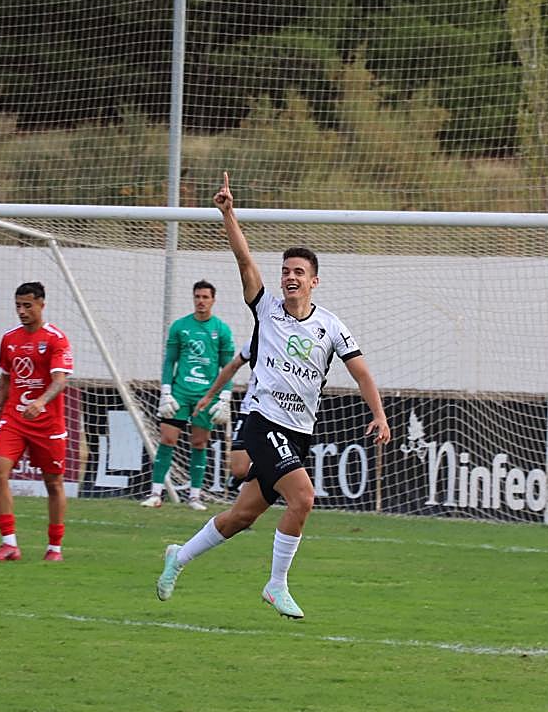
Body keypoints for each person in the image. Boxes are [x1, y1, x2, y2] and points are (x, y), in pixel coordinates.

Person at [155, 173, 391, 619]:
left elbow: (360, 372)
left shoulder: (331, 326)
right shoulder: (266, 309)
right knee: (303, 498)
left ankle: (177, 557)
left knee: (240, 517)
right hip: (264, 421)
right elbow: (244, 260)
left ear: (314, 281)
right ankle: (276, 584)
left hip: (299, 431)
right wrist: (228, 213)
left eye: (299, 272)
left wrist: (378, 414)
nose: (290, 277)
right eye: (285, 271)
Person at [0, 282, 74, 562]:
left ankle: (54, 547)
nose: (22, 311)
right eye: (18, 306)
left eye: (27, 305)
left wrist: (41, 401)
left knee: (53, 483)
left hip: (48, 422)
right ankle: (9, 544)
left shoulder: (56, 339)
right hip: (15, 418)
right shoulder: (9, 339)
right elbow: (5, 378)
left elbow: (60, 380)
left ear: (41, 305)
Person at [140, 280, 236, 511]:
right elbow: (170, 361)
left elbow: (228, 367)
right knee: (167, 439)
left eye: (205, 297)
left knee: (199, 443)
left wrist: (225, 397)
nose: (201, 301)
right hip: (180, 392)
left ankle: (194, 496)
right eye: (197, 297)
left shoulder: (221, 330)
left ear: (213, 300)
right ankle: (155, 493)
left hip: (206, 395)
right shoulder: (180, 326)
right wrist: (166, 391)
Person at [195, 341, 252, 484]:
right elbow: (233, 366)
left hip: (280, 415)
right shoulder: (257, 340)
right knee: (239, 470)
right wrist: (210, 395)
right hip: (251, 410)